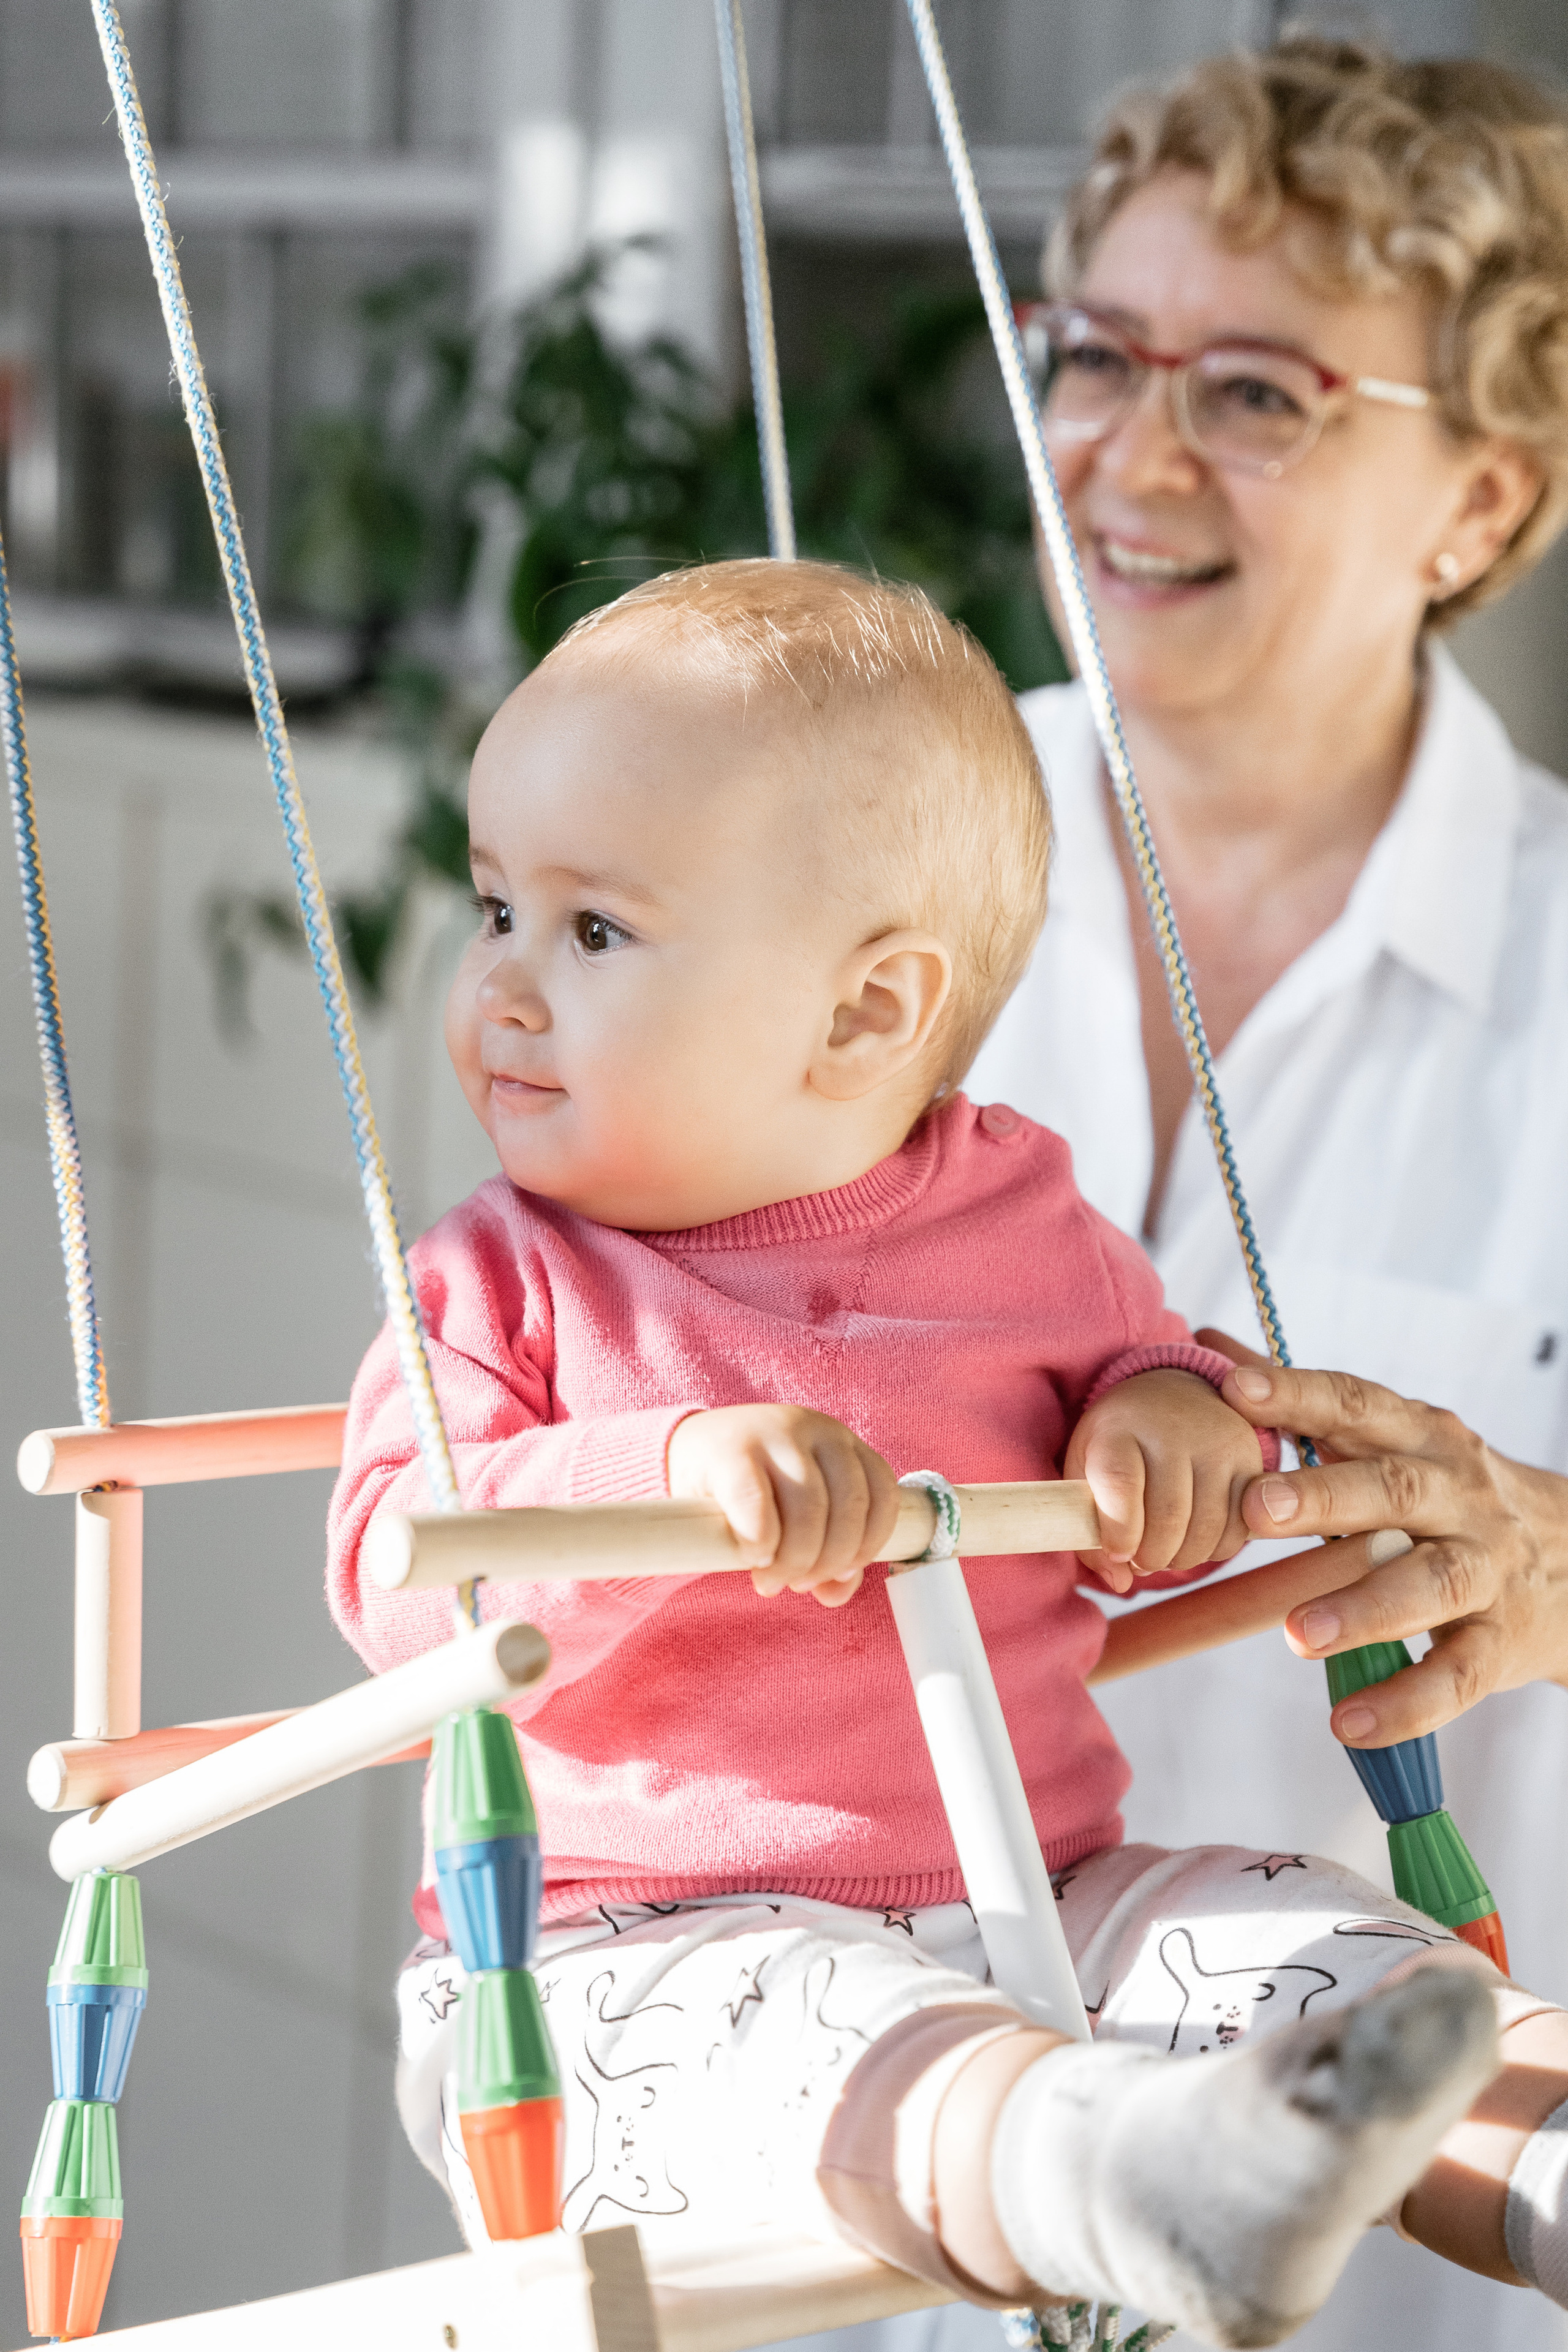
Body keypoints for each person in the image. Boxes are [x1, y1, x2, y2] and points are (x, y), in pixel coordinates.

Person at [331, 559, 1568, 2347]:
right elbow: (392, 1563)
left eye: (591, 932)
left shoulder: (1010, 1205)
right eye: (496, 906)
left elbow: (1138, 1360)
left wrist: (1164, 1432)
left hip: (1040, 1900)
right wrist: (660, 1471)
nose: (503, 988)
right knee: (858, 2035)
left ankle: (1531, 2159)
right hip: (628, 1965)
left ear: (864, 1018)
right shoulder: (496, 1282)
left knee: (1302, 1937)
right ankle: (1145, 2188)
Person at [966, 34, 1568, 2352]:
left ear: (1480, 502)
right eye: (1095, 357)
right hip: (853, 2250)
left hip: (1405, 2293)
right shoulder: (808, 887)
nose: (1124, 455)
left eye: (1258, 391)